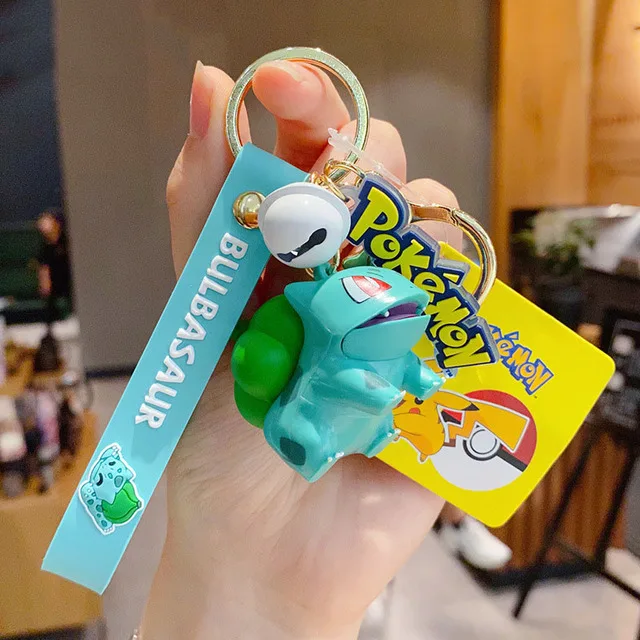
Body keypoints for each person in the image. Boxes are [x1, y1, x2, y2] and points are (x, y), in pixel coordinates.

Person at [138, 60, 472, 639]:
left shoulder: (379, 319)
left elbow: (410, 369)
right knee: (303, 414)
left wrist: (422, 377)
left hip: (368, 419)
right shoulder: (315, 310)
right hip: (313, 415)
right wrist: (226, 584)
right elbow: (337, 362)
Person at [36, 209, 72, 322]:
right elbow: (44, 266)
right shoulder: (45, 246)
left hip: (71, 278)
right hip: (56, 282)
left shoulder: (67, 239)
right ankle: (50, 325)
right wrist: (45, 284)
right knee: (49, 299)